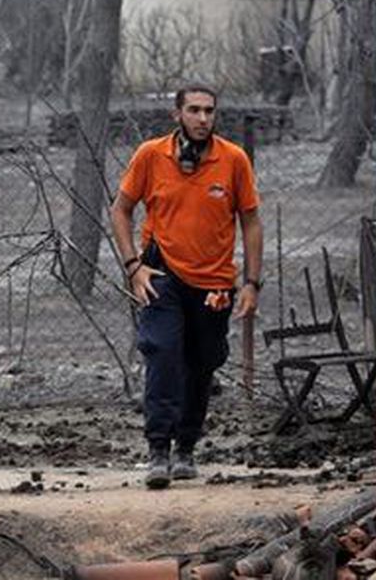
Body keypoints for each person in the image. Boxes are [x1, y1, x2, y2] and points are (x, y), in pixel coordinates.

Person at [109, 85, 263, 490]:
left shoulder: (233, 160)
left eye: (209, 111)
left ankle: (186, 447)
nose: (202, 118)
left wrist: (251, 282)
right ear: (177, 113)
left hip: (214, 281)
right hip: (162, 274)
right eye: (193, 110)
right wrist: (133, 266)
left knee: (203, 360)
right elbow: (121, 210)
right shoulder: (150, 155)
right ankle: (158, 448)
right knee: (161, 350)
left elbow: (250, 220)